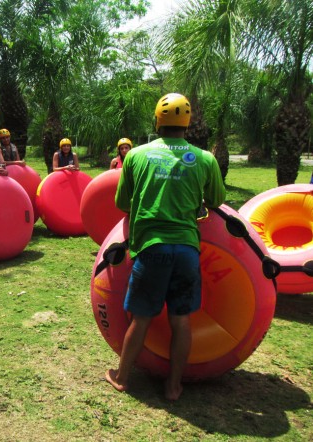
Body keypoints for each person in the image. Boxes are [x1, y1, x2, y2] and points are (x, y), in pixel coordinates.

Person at [105, 93, 226, 400]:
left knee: (142, 317)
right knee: (181, 319)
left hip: (151, 248)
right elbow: (216, 201)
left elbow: (122, 203)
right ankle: (173, 386)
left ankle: (121, 377)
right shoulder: (205, 159)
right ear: (188, 123)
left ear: (157, 121)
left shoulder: (135, 156)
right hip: (187, 249)